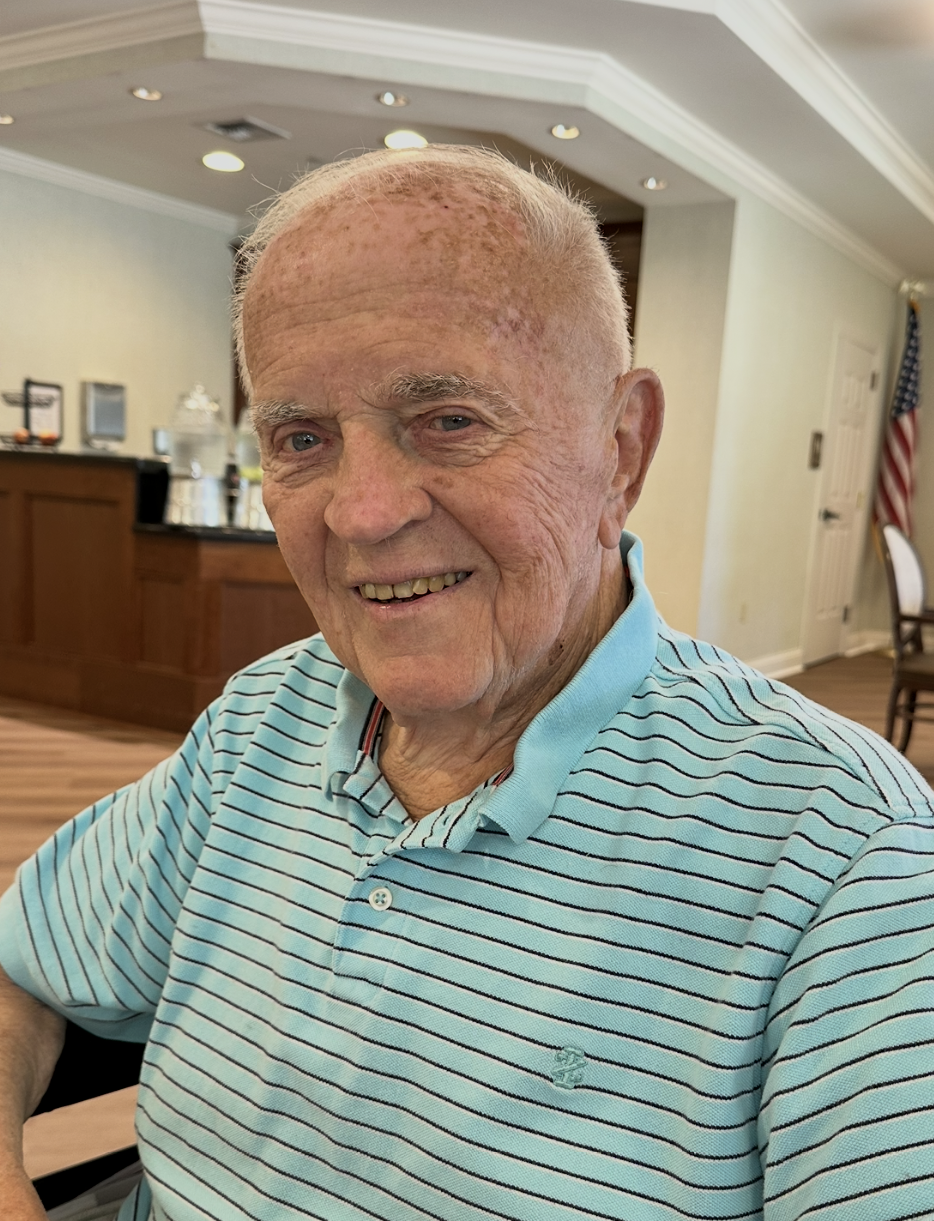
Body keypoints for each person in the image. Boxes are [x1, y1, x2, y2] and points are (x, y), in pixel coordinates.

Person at [1, 145, 933, 1221]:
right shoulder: (262, 719)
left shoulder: (847, 857)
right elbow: (23, 965)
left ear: (622, 450)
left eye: (447, 420)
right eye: (301, 438)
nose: (362, 513)